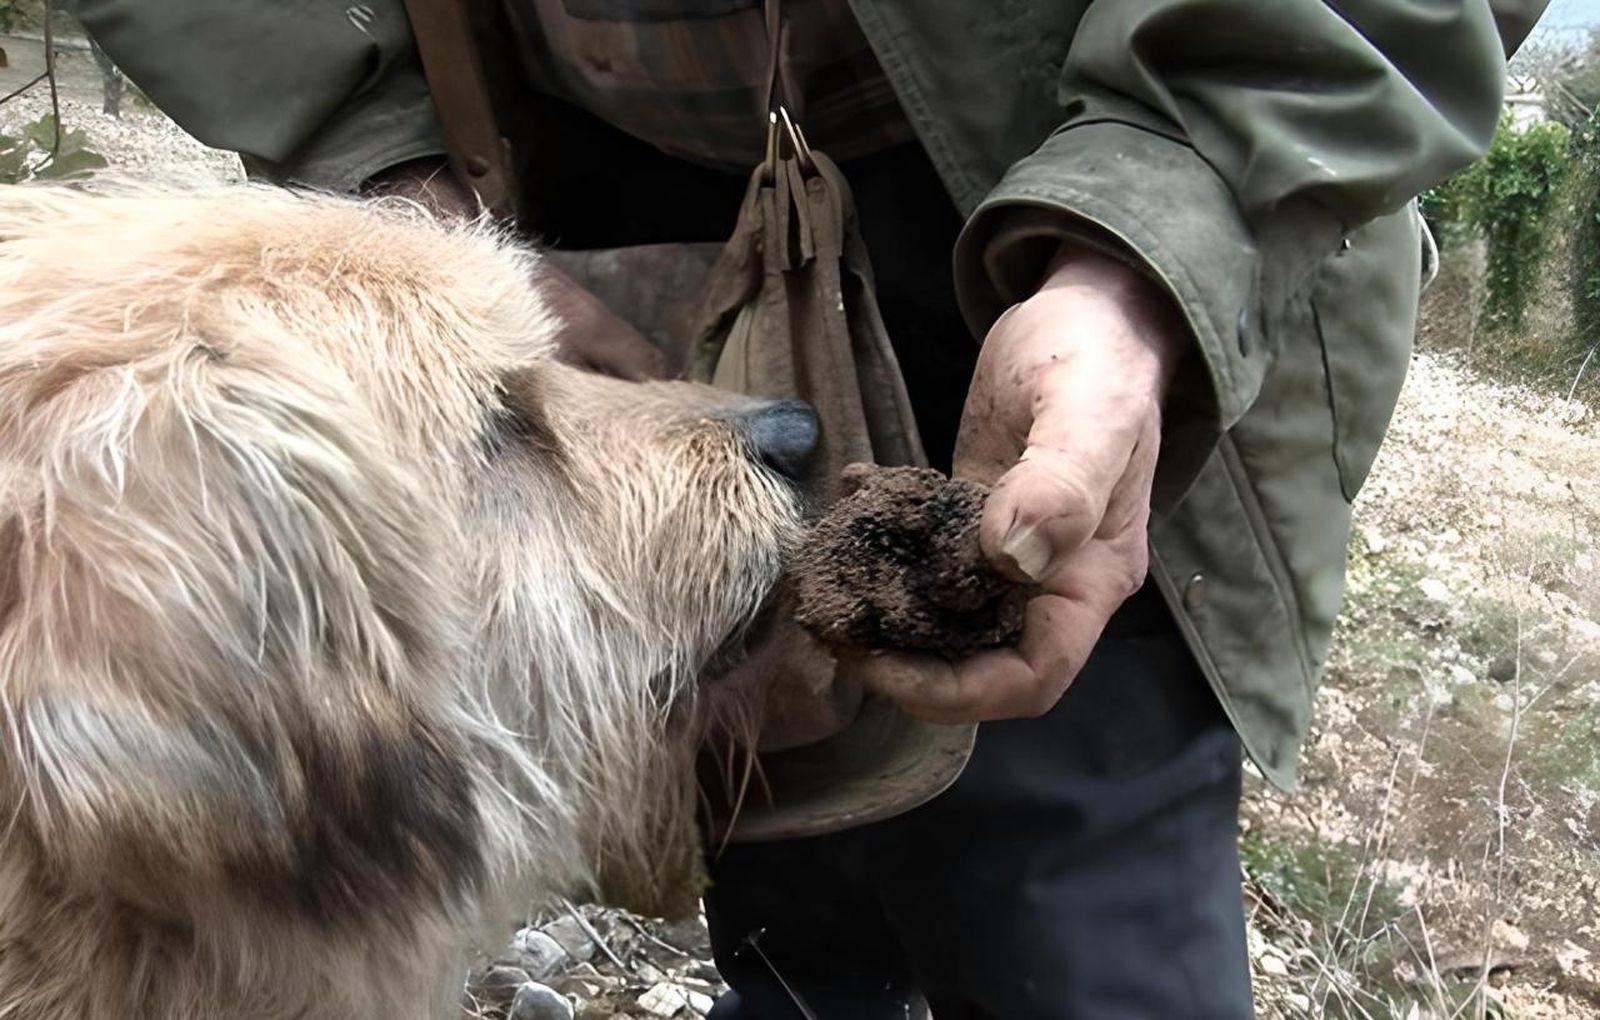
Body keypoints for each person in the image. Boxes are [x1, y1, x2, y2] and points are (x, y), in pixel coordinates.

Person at [69, 1, 1546, 1015]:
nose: (767, 452)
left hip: (1050, 189)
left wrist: (1153, 243)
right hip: (573, 186)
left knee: (1073, 872)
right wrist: (391, 160)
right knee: (772, 811)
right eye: (497, 443)